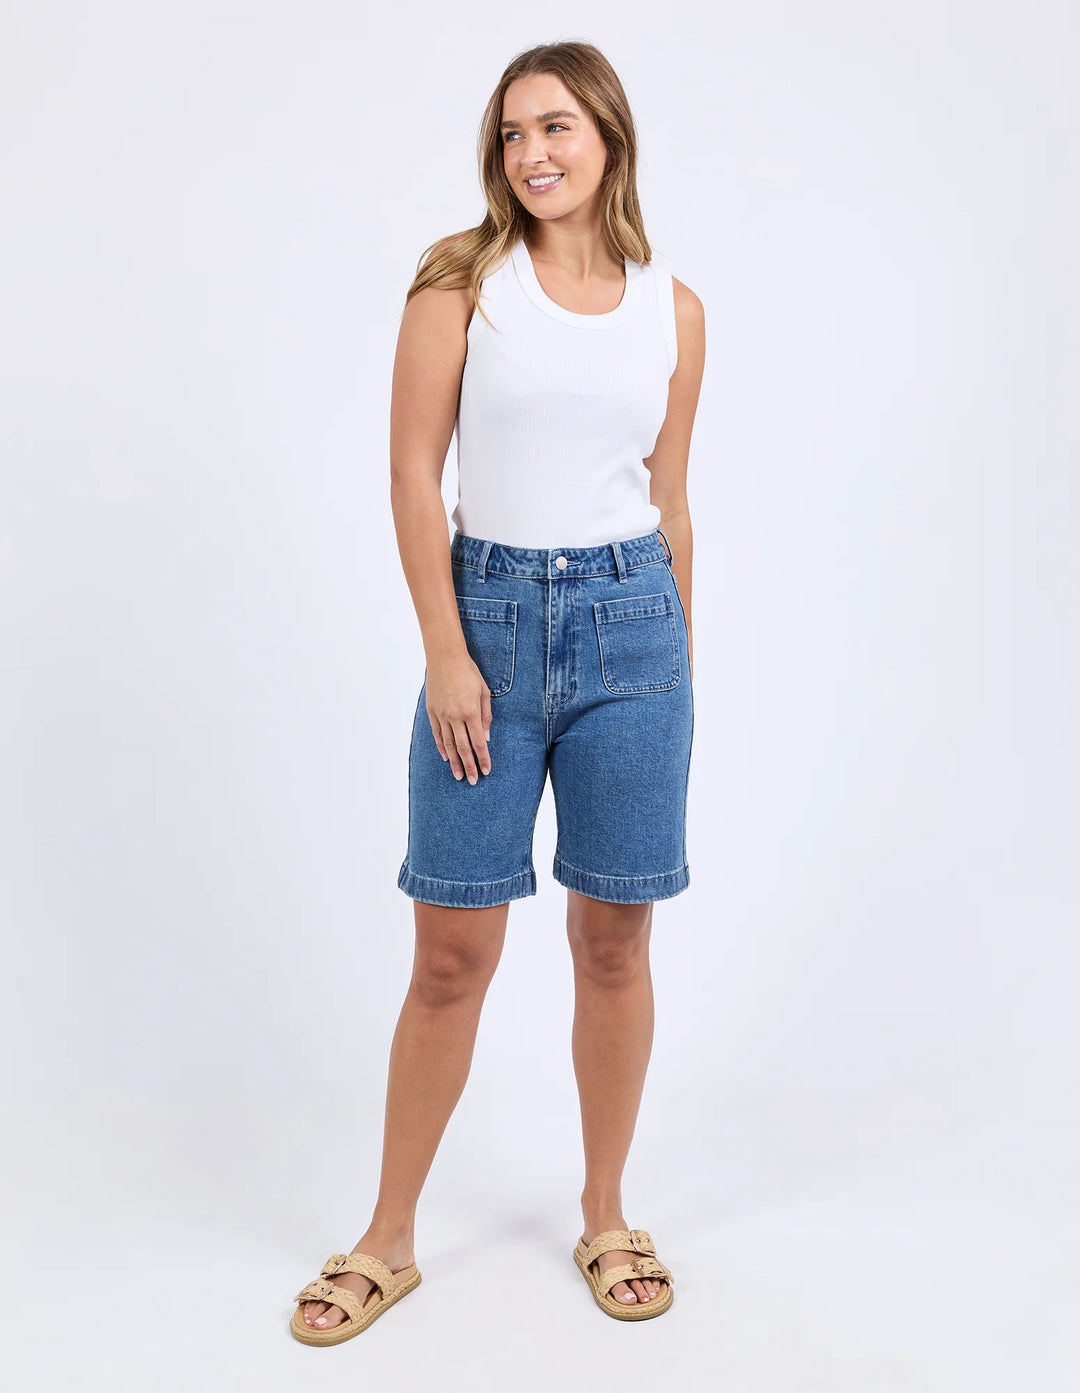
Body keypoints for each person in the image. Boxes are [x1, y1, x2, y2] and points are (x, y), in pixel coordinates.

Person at [290, 39, 705, 1344]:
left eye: (557, 126)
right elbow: (413, 477)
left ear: (609, 136)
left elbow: (670, 498)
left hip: (636, 635)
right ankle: (387, 1237)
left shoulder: (674, 310)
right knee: (452, 951)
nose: (533, 152)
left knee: (614, 942)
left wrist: (680, 662)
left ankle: (606, 1212)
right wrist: (447, 649)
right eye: (514, 133)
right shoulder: (462, 285)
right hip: (490, 628)